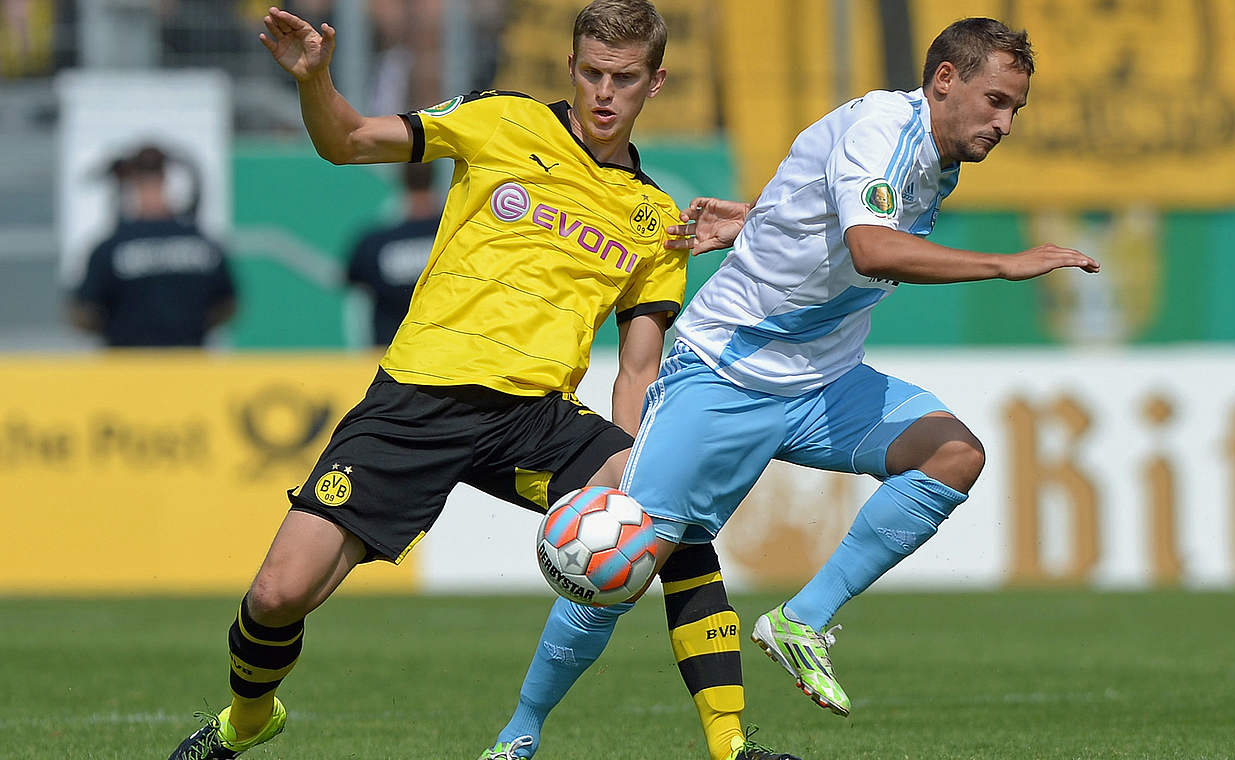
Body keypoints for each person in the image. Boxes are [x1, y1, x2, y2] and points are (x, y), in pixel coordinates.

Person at [165, 4, 793, 760]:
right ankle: (247, 717)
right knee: (277, 594)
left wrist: (635, 482)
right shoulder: (502, 122)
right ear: (569, 67)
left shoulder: (654, 218)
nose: (603, 92)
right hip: (414, 401)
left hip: (535, 418)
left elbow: (638, 365)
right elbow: (349, 140)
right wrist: (316, 81)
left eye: (623, 79)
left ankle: (731, 746)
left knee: (673, 514)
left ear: (655, 83)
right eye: (590, 73)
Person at [488, 14, 1101, 747]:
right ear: (945, 80)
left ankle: (802, 619)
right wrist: (1006, 262)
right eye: (996, 101)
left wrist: (752, 221)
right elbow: (871, 249)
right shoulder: (884, 127)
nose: (1004, 122)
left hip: (822, 380)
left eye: (1015, 109)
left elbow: (818, 211)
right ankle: (519, 736)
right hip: (726, 370)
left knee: (953, 455)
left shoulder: (939, 157)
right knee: (617, 565)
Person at [70, 144, 237, 347]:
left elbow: (83, 313)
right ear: (167, 180)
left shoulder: (112, 247)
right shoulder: (204, 244)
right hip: (189, 363)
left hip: (127, 365)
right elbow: (227, 306)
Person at [344, 162, 440, 347]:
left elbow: (352, 281)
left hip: (391, 355)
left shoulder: (375, 243)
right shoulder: (456, 238)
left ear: (402, 179)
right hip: (446, 354)